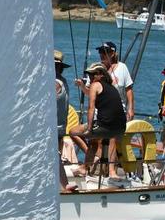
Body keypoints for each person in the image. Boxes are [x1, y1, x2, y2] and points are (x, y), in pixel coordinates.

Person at [69, 62, 126, 181]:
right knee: (108, 138)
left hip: (104, 126)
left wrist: (89, 129)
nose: (90, 77)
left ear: (100, 74)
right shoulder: (111, 87)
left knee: (74, 132)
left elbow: (91, 108)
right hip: (120, 128)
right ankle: (111, 171)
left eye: (92, 74)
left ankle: (86, 165)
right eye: (89, 74)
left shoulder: (96, 85)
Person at [54, 51, 78, 192]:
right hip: (61, 127)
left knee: (53, 155)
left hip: (52, 128)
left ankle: (62, 184)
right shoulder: (64, 81)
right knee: (56, 155)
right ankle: (64, 183)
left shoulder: (55, 83)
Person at [96, 41, 134, 121]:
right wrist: (82, 86)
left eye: (104, 52)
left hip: (118, 114)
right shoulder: (95, 69)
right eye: (100, 52)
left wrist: (130, 109)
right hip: (99, 114)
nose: (102, 54)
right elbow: (90, 92)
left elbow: (129, 90)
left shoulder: (122, 67)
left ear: (112, 53)